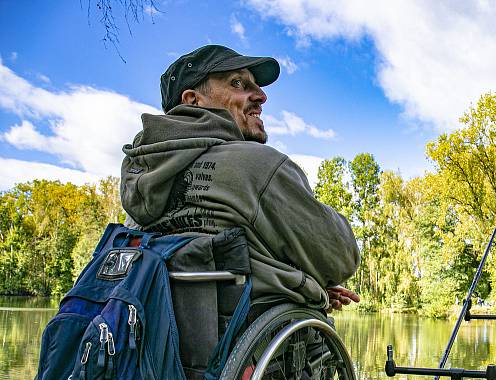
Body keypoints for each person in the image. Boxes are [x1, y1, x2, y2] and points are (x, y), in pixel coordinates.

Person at [120, 44, 359, 311]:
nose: (261, 96)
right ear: (192, 100)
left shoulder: (139, 177)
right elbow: (339, 257)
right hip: (253, 338)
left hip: (158, 341)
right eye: (238, 83)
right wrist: (310, 284)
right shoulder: (259, 165)